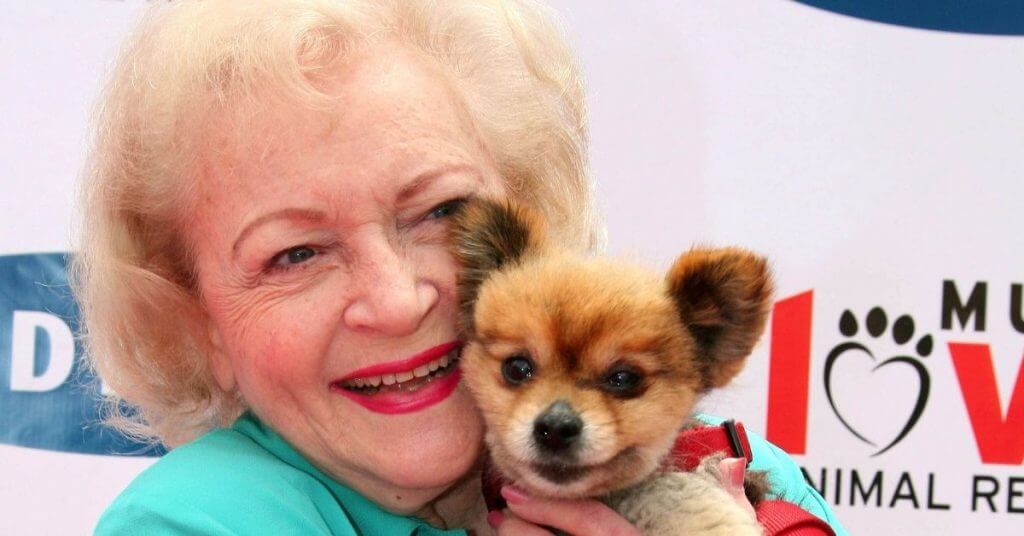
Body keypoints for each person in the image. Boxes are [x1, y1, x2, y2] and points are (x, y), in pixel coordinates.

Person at [74, 1, 847, 534]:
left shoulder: (722, 469)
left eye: (441, 213)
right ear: (198, 319)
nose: (396, 299)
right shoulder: (197, 521)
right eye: (296, 253)